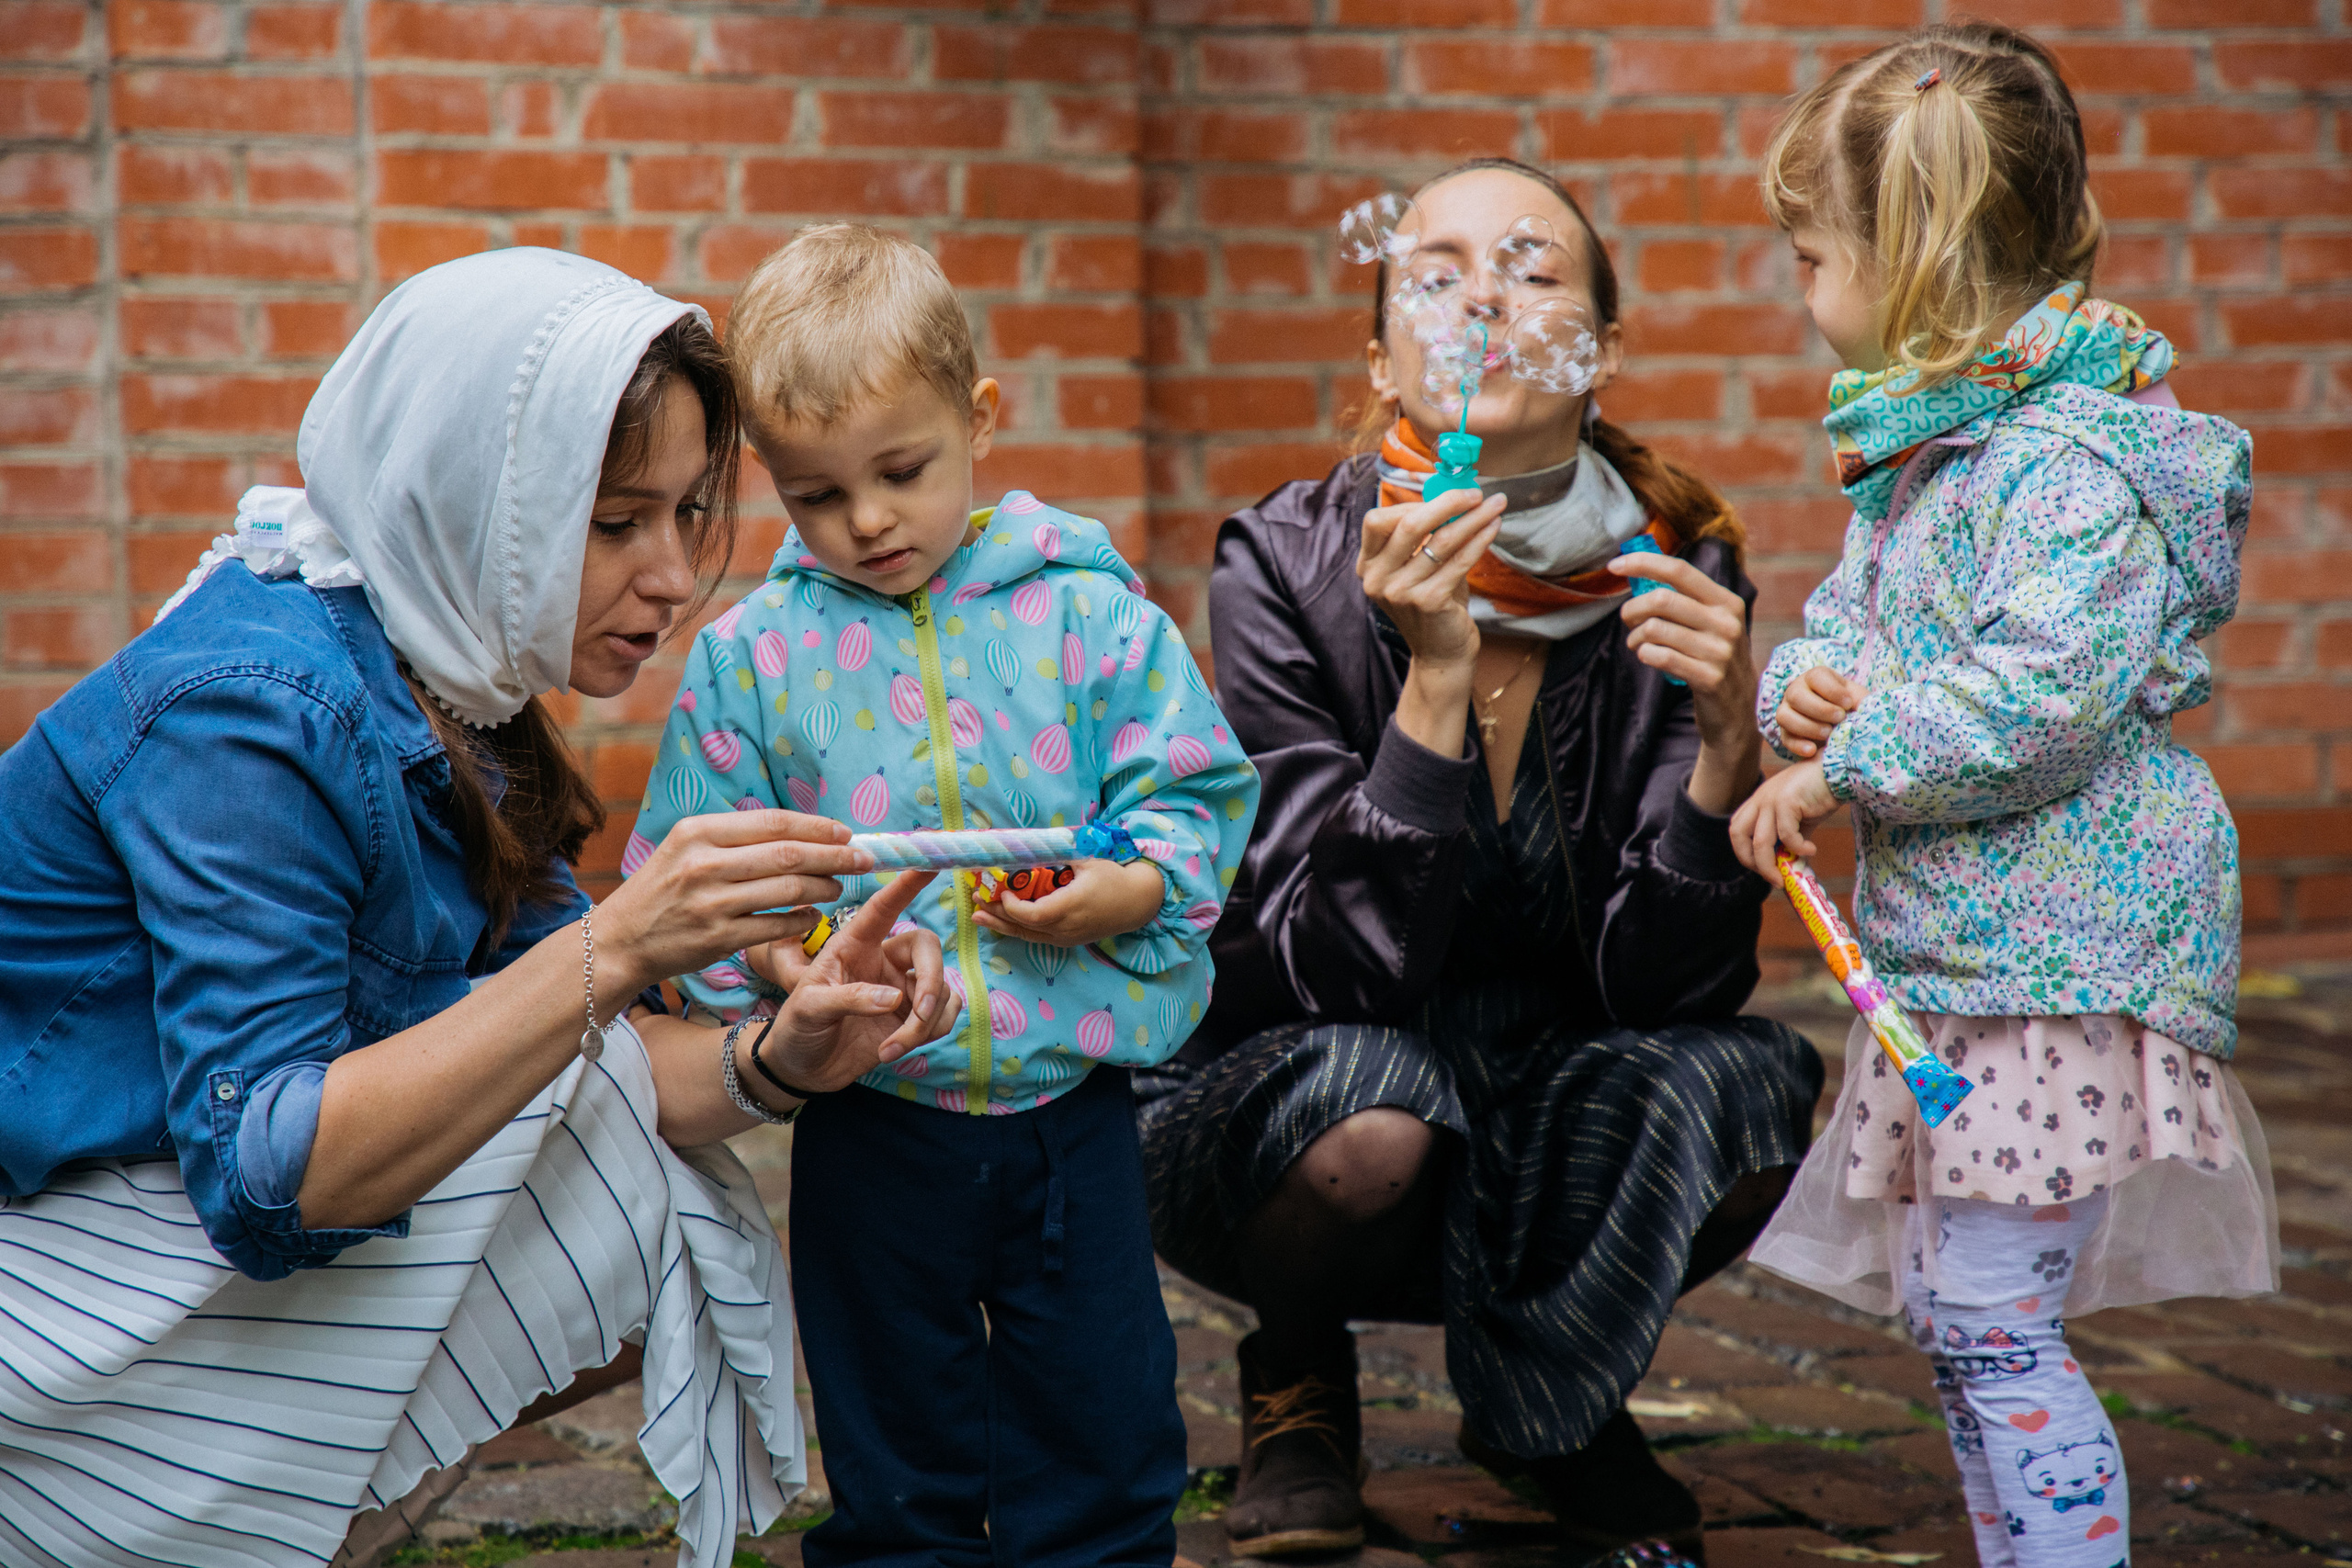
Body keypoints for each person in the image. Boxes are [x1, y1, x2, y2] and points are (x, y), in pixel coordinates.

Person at [0, 248, 958, 1568]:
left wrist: (784, 1058)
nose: (671, 575)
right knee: (582, 1135)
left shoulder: (451, 679)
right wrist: (624, 939)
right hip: (41, 1278)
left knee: (649, 1179)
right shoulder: (252, 711)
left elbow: (608, 1063)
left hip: (133, 1234)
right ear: (480, 499)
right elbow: (273, 1179)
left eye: (687, 513)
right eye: (615, 523)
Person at [1137, 157, 1826, 1562]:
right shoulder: (1282, 561)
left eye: (1529, 270)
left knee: (1754, 1090)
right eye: (1434, 277)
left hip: (1551, 1099)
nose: (1483, 302)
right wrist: (1435, 680)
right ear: (1380, 360)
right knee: (1367, 1104)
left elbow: (1667, 993)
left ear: (1604, 353)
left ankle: (1547, 1403)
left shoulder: (1676, 571)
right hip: (1302, 1093)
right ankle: (1297, 1371)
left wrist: (1722, 753)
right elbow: (1333, 968)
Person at [628, 223, 1261, 1568]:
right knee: (892, 1437)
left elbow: (1194, 792)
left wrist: (1120, 889)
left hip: (1072, 1112)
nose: (866, 521)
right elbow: (704, 873)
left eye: (901, 471)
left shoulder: (1092, 620)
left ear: (978, 419)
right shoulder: (755, 660)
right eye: (815, 494)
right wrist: (788, 964)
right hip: (872, 1121)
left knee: (1102, 1419)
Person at [1734, 25, 2278, 1568]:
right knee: (1958, 1312)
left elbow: (2040, 699)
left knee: (1990, 1316)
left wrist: (1847, 764)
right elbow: (1852, 627)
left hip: (2060, 967)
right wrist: (1804, 693)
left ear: (1909, 257)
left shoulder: (2065, 468)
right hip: (1972, 960)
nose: (1800, 288)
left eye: (1812, 256)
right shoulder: (1935, 456)